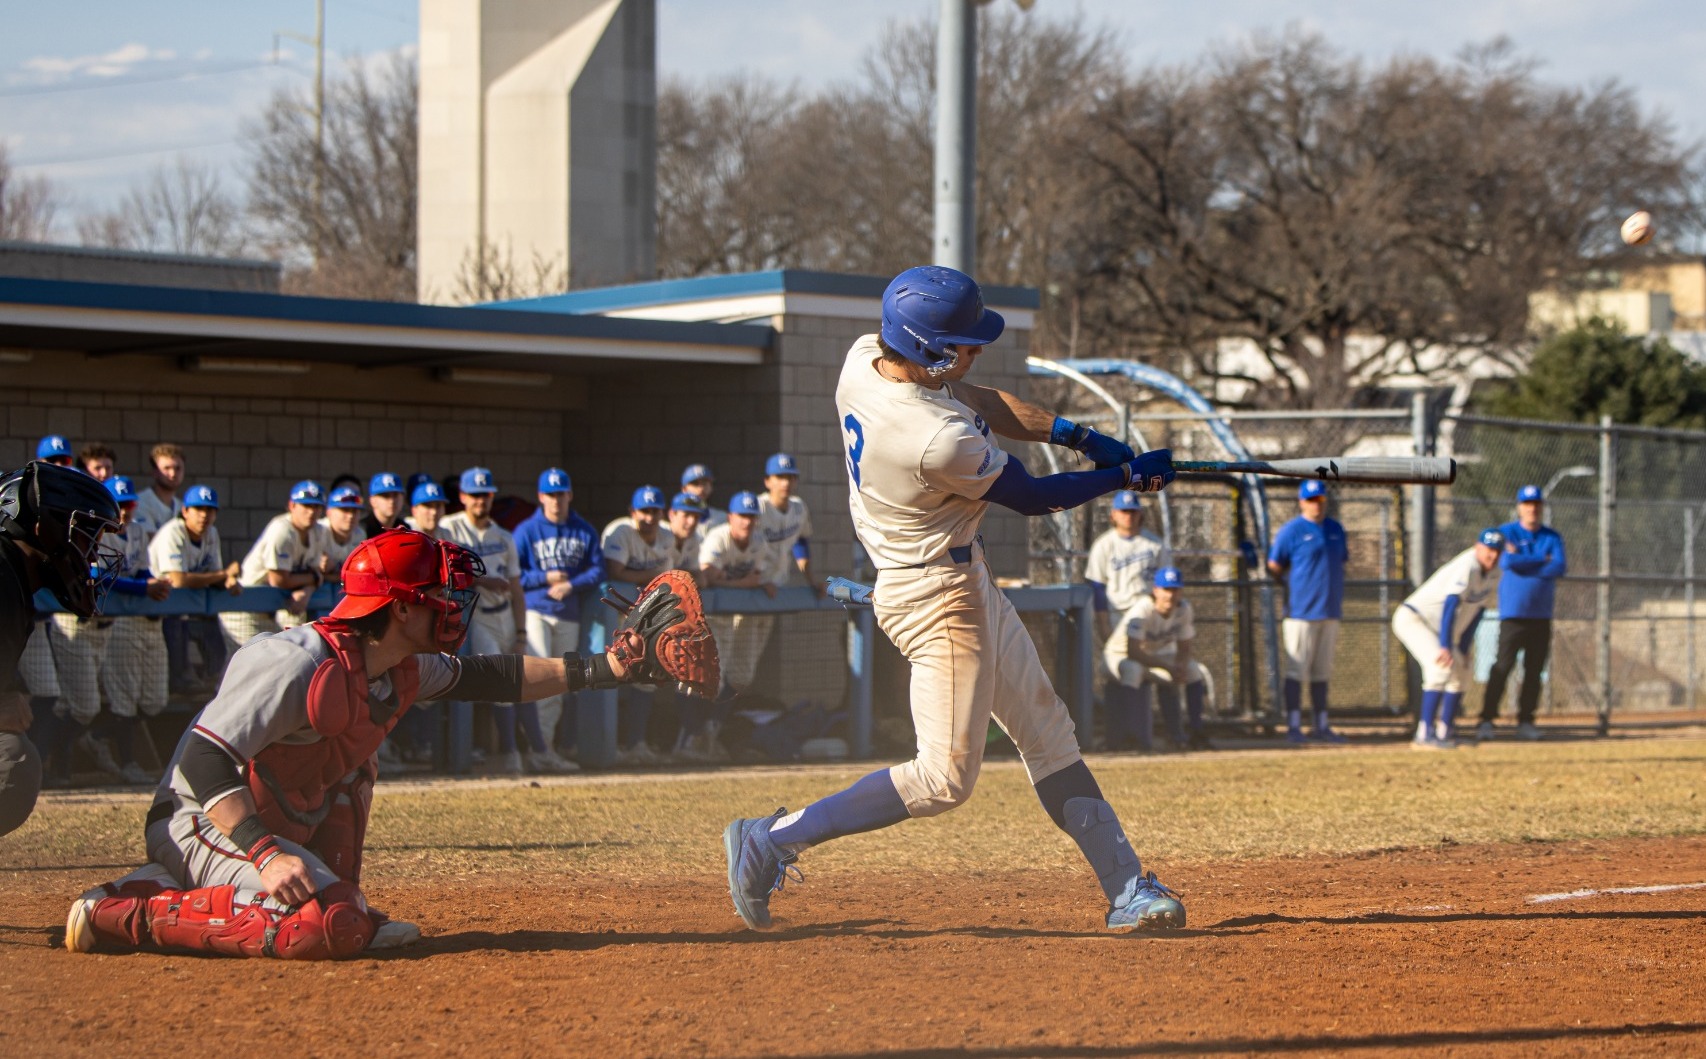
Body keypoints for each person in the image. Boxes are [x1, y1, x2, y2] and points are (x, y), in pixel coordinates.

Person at [724, 264, 1183, 934]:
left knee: (1047, 730)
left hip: (964, 578)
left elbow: (972, 394)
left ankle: (1126, 887)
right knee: (943, 777)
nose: (974, 352)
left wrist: (1077, 436)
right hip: (934, 597)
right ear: (929, 348)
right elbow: (1033, 497)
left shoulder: (865, 359)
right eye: (964, 343)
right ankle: (771, 838)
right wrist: (1124, 476)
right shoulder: (930, 438)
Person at [64, 527, 694, 960]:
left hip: (269, 812)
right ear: (397, 609)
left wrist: (606, 668)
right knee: (318, 928)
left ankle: (335, 898)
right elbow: (205, 758)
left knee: (354, 768)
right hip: (199, 817)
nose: (453, 606)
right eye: (439, 596)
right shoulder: (294, 660)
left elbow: (493, 678)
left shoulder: (400, 664)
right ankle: (120, 910)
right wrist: (262, 856)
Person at [0, 461, 120, 836]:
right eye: (87, 536)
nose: (93, 555)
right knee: (13, 762)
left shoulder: (12, 579)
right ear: (44, 528)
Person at [441, 467, 570, 775]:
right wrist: (481, 581)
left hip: (505, 617)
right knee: (502, 681)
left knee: (522, 679)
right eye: (473, 495)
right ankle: (511, 752)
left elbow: (515, 587)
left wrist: (522, 630)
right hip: (476, 619)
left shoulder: (502, 535)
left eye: (485, 495)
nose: (480, 501)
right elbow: (447, 572)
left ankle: (539, 751)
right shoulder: (451, 529)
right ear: (462, 497)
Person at [512, 468, 602, 769]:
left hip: (569, 613)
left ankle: (544, 750)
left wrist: (571, 585)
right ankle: (539, 750)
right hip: (536, 610)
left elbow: (598, 569)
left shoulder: (583, 529)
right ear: (540, 497)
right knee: (539, 678)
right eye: (550, 495)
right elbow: (514, 576)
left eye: (560, 494)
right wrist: (545, 577)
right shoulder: (526, 530)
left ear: (569, 496)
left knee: (560, 683)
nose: (556, 500)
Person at [1392, 529, 1506, 749]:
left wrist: (1462, 648)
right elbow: (1451, 604)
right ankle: (1424, 734)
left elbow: (1478, 611)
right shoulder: (1468, 565)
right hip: (1415, 619)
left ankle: (1445, 732)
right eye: (1489, 550)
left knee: (1461, 672)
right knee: (1439, 668)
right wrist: (1446, 646)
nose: (1493, 556)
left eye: (1497, 551)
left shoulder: (1495, 572)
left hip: (1440, 629)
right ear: (1478, 547)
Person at [98, 476, 173, 786]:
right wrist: (144, 587)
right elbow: (98, 576)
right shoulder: (99, 530)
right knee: (123, 697)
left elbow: (142, 570)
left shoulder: (139, 531)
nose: (125, 511)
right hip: (109, 620)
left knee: (155, 700)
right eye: (119, 505)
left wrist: (152, 583)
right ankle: (125, 759)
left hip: (138, 618)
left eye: (128, 504)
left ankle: (100, 735)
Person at [1478, 485, 1567, 742]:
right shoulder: (1507, 533)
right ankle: (1486, 719)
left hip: (1541, 614)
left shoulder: (1551, 536)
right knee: (1503, 666)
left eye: (1537, 504)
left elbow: (1559, 566)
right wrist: (1542, 560)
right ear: (1519, 507)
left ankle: (1526, 720)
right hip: (1513, 613)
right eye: (1527, 504)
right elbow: (1506, 562)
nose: (1532, 509)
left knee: (1534, 670)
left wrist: (1526, 561)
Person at [1086, 490, 1172, 750]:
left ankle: (1155, 735)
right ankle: (1119, 736)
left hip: (1147, 615)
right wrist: (1102, 622)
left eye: (1133, 511)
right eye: (1124, 511)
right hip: (1117, 615)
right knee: (1119, 671)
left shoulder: (1154, 544)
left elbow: (1166, 586)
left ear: (1140, 514)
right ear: (1113, 515)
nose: (1129, 516)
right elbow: (1097, 587)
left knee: (1148, 671)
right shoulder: (1104, 545)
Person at [1267, 480, 1351, 744]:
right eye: (1312, 500)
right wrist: (1292, 586)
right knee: (1296, 670)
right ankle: (1293, 725)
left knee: (1322, 672)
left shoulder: (1335, 529)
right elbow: (1274, 564)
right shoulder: (1292, 530)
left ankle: (1321, 724)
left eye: (1321, 500)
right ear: (1302, 502)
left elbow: (1343, 561)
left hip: (1329, 609)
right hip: (1300, 611)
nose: (1317, 505)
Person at [601, 485, 673, 765]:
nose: (649, 517)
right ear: (633, 513)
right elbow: (615, 571)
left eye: (654, 511)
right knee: (608, 676)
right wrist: (654, 575)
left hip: (647, 617)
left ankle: (636, 744)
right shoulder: (619, 531)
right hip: (615, 613)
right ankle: (605, 744)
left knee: (646, 679)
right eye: (644, 511)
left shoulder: (667, 535)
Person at [1108, 567, 1212, 752]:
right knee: (1134, 669)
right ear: (1155, 590)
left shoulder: (1183, 609)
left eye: (1175, 589)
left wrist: (1179, 666)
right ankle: (1130, 737)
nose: (1170, 595)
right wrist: (1168, 668)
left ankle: (1195, 732)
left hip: (1154, 657)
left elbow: (1185, 647)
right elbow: (1133, 652)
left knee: (1193, 670)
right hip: (1118, 656)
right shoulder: (1143, 608)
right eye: (1166, 589)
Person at [149, 484, 241, 692]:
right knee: (172, 679)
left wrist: (229, 581)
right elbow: (178, 580)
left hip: (188, 609)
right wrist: (223, 574)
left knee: (216, 659)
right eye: (198, 509)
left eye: (209, 509)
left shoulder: (211, 534)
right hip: (158, 610)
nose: (204, 515)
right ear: (185, 511)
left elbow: (215, 574)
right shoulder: (173, 532)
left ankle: (212, 684)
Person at [220, 481, 329, 648]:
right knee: (250, 664)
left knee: (279, 656)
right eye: (306, 505)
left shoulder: (319, 531)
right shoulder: (282, 530)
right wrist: (314, 578)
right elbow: (278, 580)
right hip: (243, 609)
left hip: (269, 611)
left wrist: (308, 590)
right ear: (292, 506)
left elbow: (315, 573)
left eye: (316, 506)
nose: (311, 512)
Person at [757, 452, 820, 595]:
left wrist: (811, 580)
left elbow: (800, 541)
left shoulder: (799, 507)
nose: (786, 483)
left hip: (778, 584)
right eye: (780, 477)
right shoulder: (758, 507)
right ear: (767, 481)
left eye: (790, 477)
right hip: (751, 586)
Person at [132, 443, 184, 535]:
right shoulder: (140, 503)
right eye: (167, 468)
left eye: (178, 468)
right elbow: (151, 542)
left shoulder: (182, 507)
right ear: (154, 472)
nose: (173, 474)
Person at [320, 485, 368, 579]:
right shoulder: (318, 530)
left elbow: (357, 576)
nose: (350, 516)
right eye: (345, 510)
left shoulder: (360, 535)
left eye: (355, 511)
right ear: (329, 512)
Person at [681, 464, 727, 530]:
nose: (701, 488)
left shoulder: (722, 517)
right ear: (684, 489)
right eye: (695, 484)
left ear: (711, 487)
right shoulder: (676, 516)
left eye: (704, 483)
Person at [361, 472, 407, 539]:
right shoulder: (362, 530)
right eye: (385, 496)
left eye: (395, 495)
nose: (392, 501)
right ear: (372, 501)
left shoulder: (405, 529)